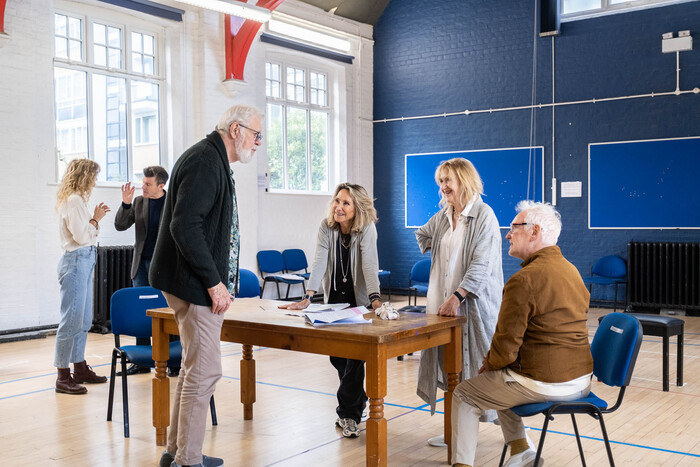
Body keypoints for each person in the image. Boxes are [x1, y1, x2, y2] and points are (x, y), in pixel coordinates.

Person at [150, 104, 263, 467]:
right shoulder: (205, 161)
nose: (258, 142)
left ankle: (176, 453)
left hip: (190, 280)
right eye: (255, 134)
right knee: (205, 371)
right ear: (235, 130)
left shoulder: (212, 158)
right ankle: (188, 461)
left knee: (193, 369)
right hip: (194, 283)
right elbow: (185, 226)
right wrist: (215, 283)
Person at [451, 201, 594, 467]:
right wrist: (495, 366)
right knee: (500, 376)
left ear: (534, 231)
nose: (507, 234)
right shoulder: (573, 272)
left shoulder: (523, 280)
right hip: (581, 381)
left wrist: (489, 364)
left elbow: (506, 347)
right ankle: (520, 452)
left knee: (465, 393)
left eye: (513, 228)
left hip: (547, 383)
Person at [279, 182, 382, 438]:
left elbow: (370, 264)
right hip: (333, 298)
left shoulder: (366, 228)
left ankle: (348, 415)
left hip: (359, 300)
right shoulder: (327, 227)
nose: (339, 206)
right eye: (337, 201)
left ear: (357, 208)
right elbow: (319, 259)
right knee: (338, 357)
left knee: (355, 358)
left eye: (346, 203)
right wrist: (308, 297)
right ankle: (358, 403)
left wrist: (376, 299)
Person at [414, 158, 503, 447]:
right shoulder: (443, 216)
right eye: (440, 181)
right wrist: (432, 245)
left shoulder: (484, 216)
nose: (442, 187)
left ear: (463, 181)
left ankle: (517, 437)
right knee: (452, 369)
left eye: (447, 181)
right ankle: (456, 432)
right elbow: (422, 234)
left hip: (473, 306)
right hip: (444, 306)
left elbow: (481, 265)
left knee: (484, 370)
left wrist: (458, 297)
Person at [54, 158, 111, 394]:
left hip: (84, 259)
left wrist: (93, 223)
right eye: (94, 176)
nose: (95, 181)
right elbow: (82, 235)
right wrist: (96, 218)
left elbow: (89, 234)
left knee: (84, 320)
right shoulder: (74, 201)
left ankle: (79, 368)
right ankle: (62, 376)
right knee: (71, 321)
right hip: (76, 260)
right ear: (85, 176)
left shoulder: (77, 200)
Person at [114, 165, 177, 376]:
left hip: (164, 265)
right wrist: (126, 203)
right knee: (142, 310)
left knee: (167, 310)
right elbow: (120, 226)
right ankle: (142, 362)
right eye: (143, 182)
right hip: (140, 263)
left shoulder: (173, 202)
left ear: (161, 185)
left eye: (148, 184)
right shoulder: (139, 201)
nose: (143, 186)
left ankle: (173, 361)